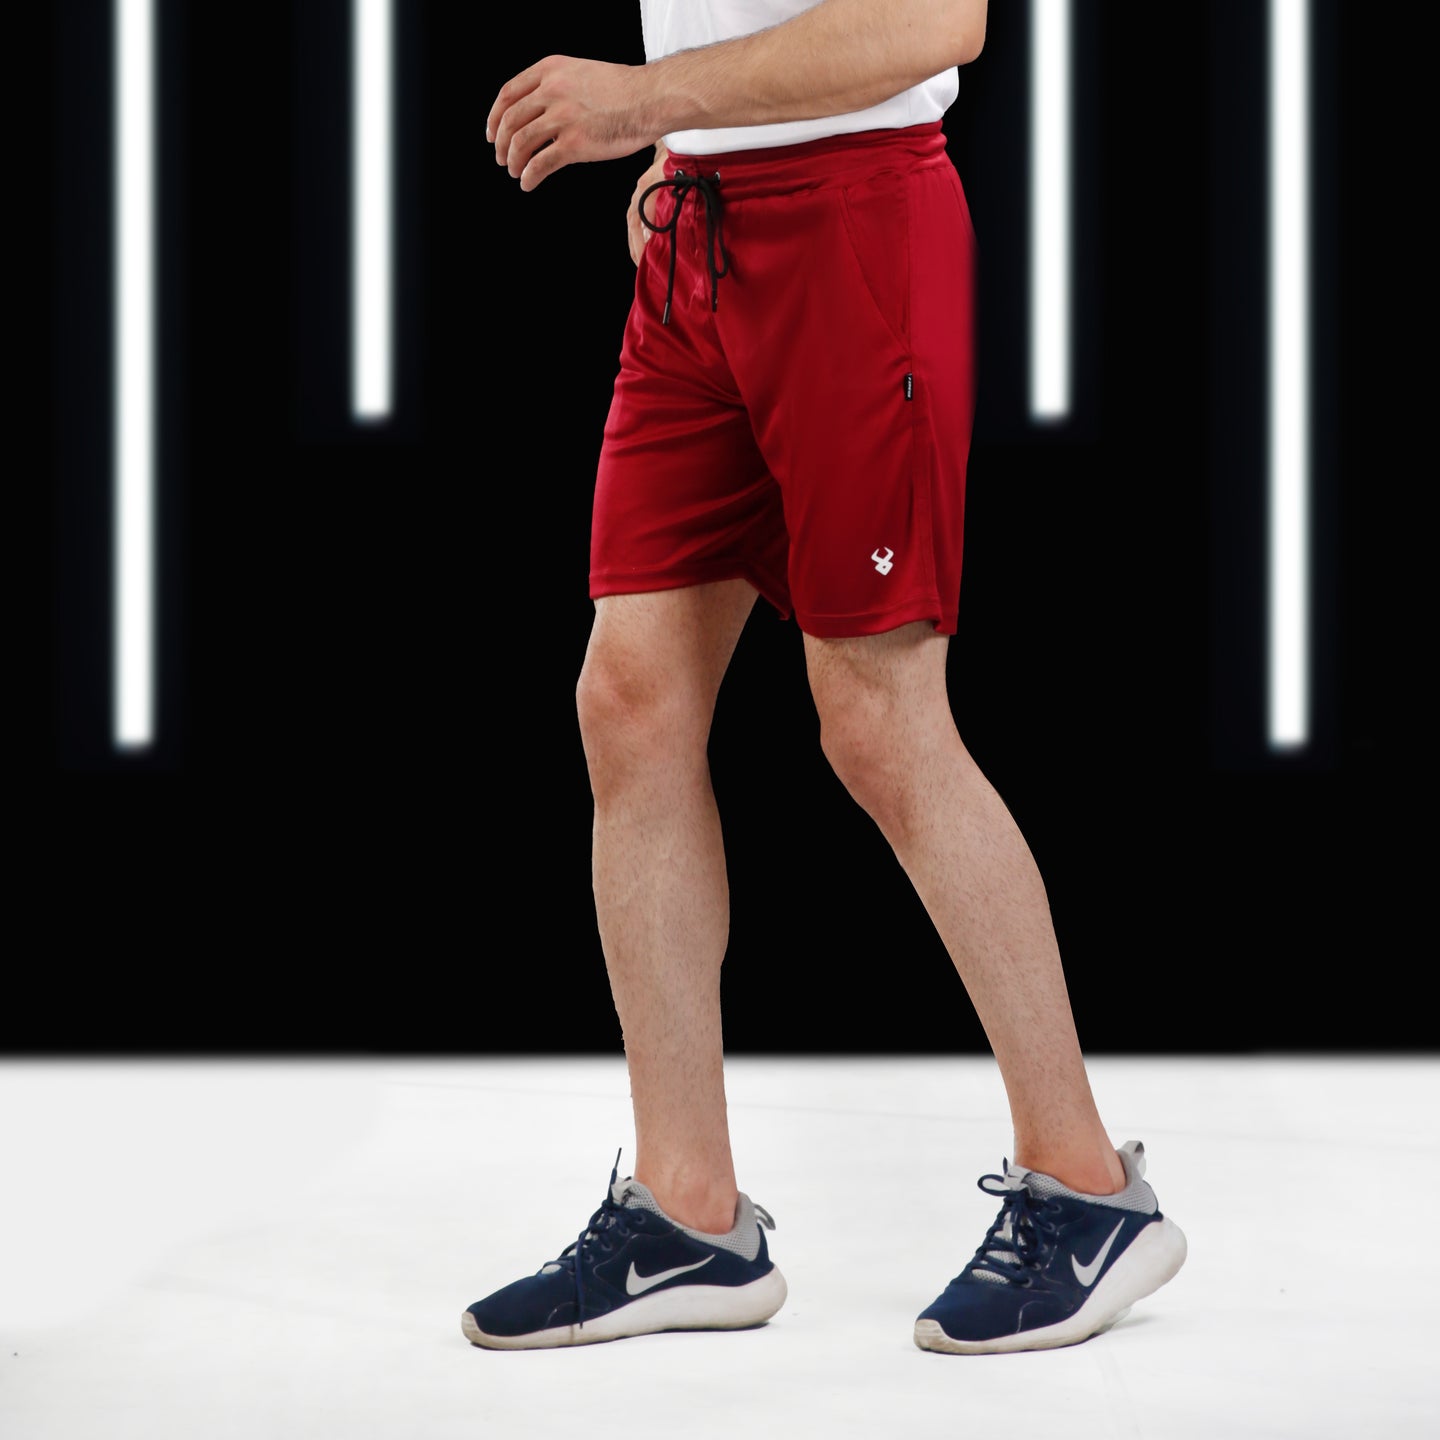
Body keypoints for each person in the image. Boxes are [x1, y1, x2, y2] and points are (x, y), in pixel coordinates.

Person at [464, 0, 1186, 1355]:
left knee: (879, 721)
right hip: (700, 222)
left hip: (854, 225)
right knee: (631, 702)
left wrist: (642, 100)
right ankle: (688, 1215)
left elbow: (935, 20)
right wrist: (674, 149)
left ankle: (1089, 1189)